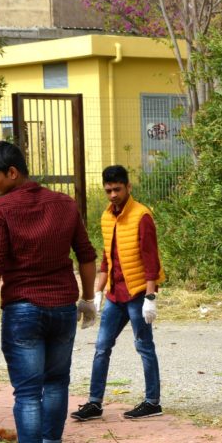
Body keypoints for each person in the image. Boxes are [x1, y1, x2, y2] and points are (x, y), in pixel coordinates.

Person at [0, 141, 97, 443]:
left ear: (12, 172)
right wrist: (88, 299)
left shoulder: (1, 210)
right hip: (62, 308)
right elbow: (86, 255)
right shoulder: (65, 204)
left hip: (23, 310)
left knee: (27, 391)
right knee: (56, 381)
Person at [71, 165, 166, 422]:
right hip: (115, 293)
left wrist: (150, 298)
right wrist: (96, 294)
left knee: (144, 346)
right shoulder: (106, 217)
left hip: (137, 294)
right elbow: (107, 258)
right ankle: (94, 403)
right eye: (108, 190)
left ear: (128, 187)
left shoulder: (141, 216)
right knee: (101, 347)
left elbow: (151, 260)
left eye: (117, 189)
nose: (113, 195)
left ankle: (152, 402)